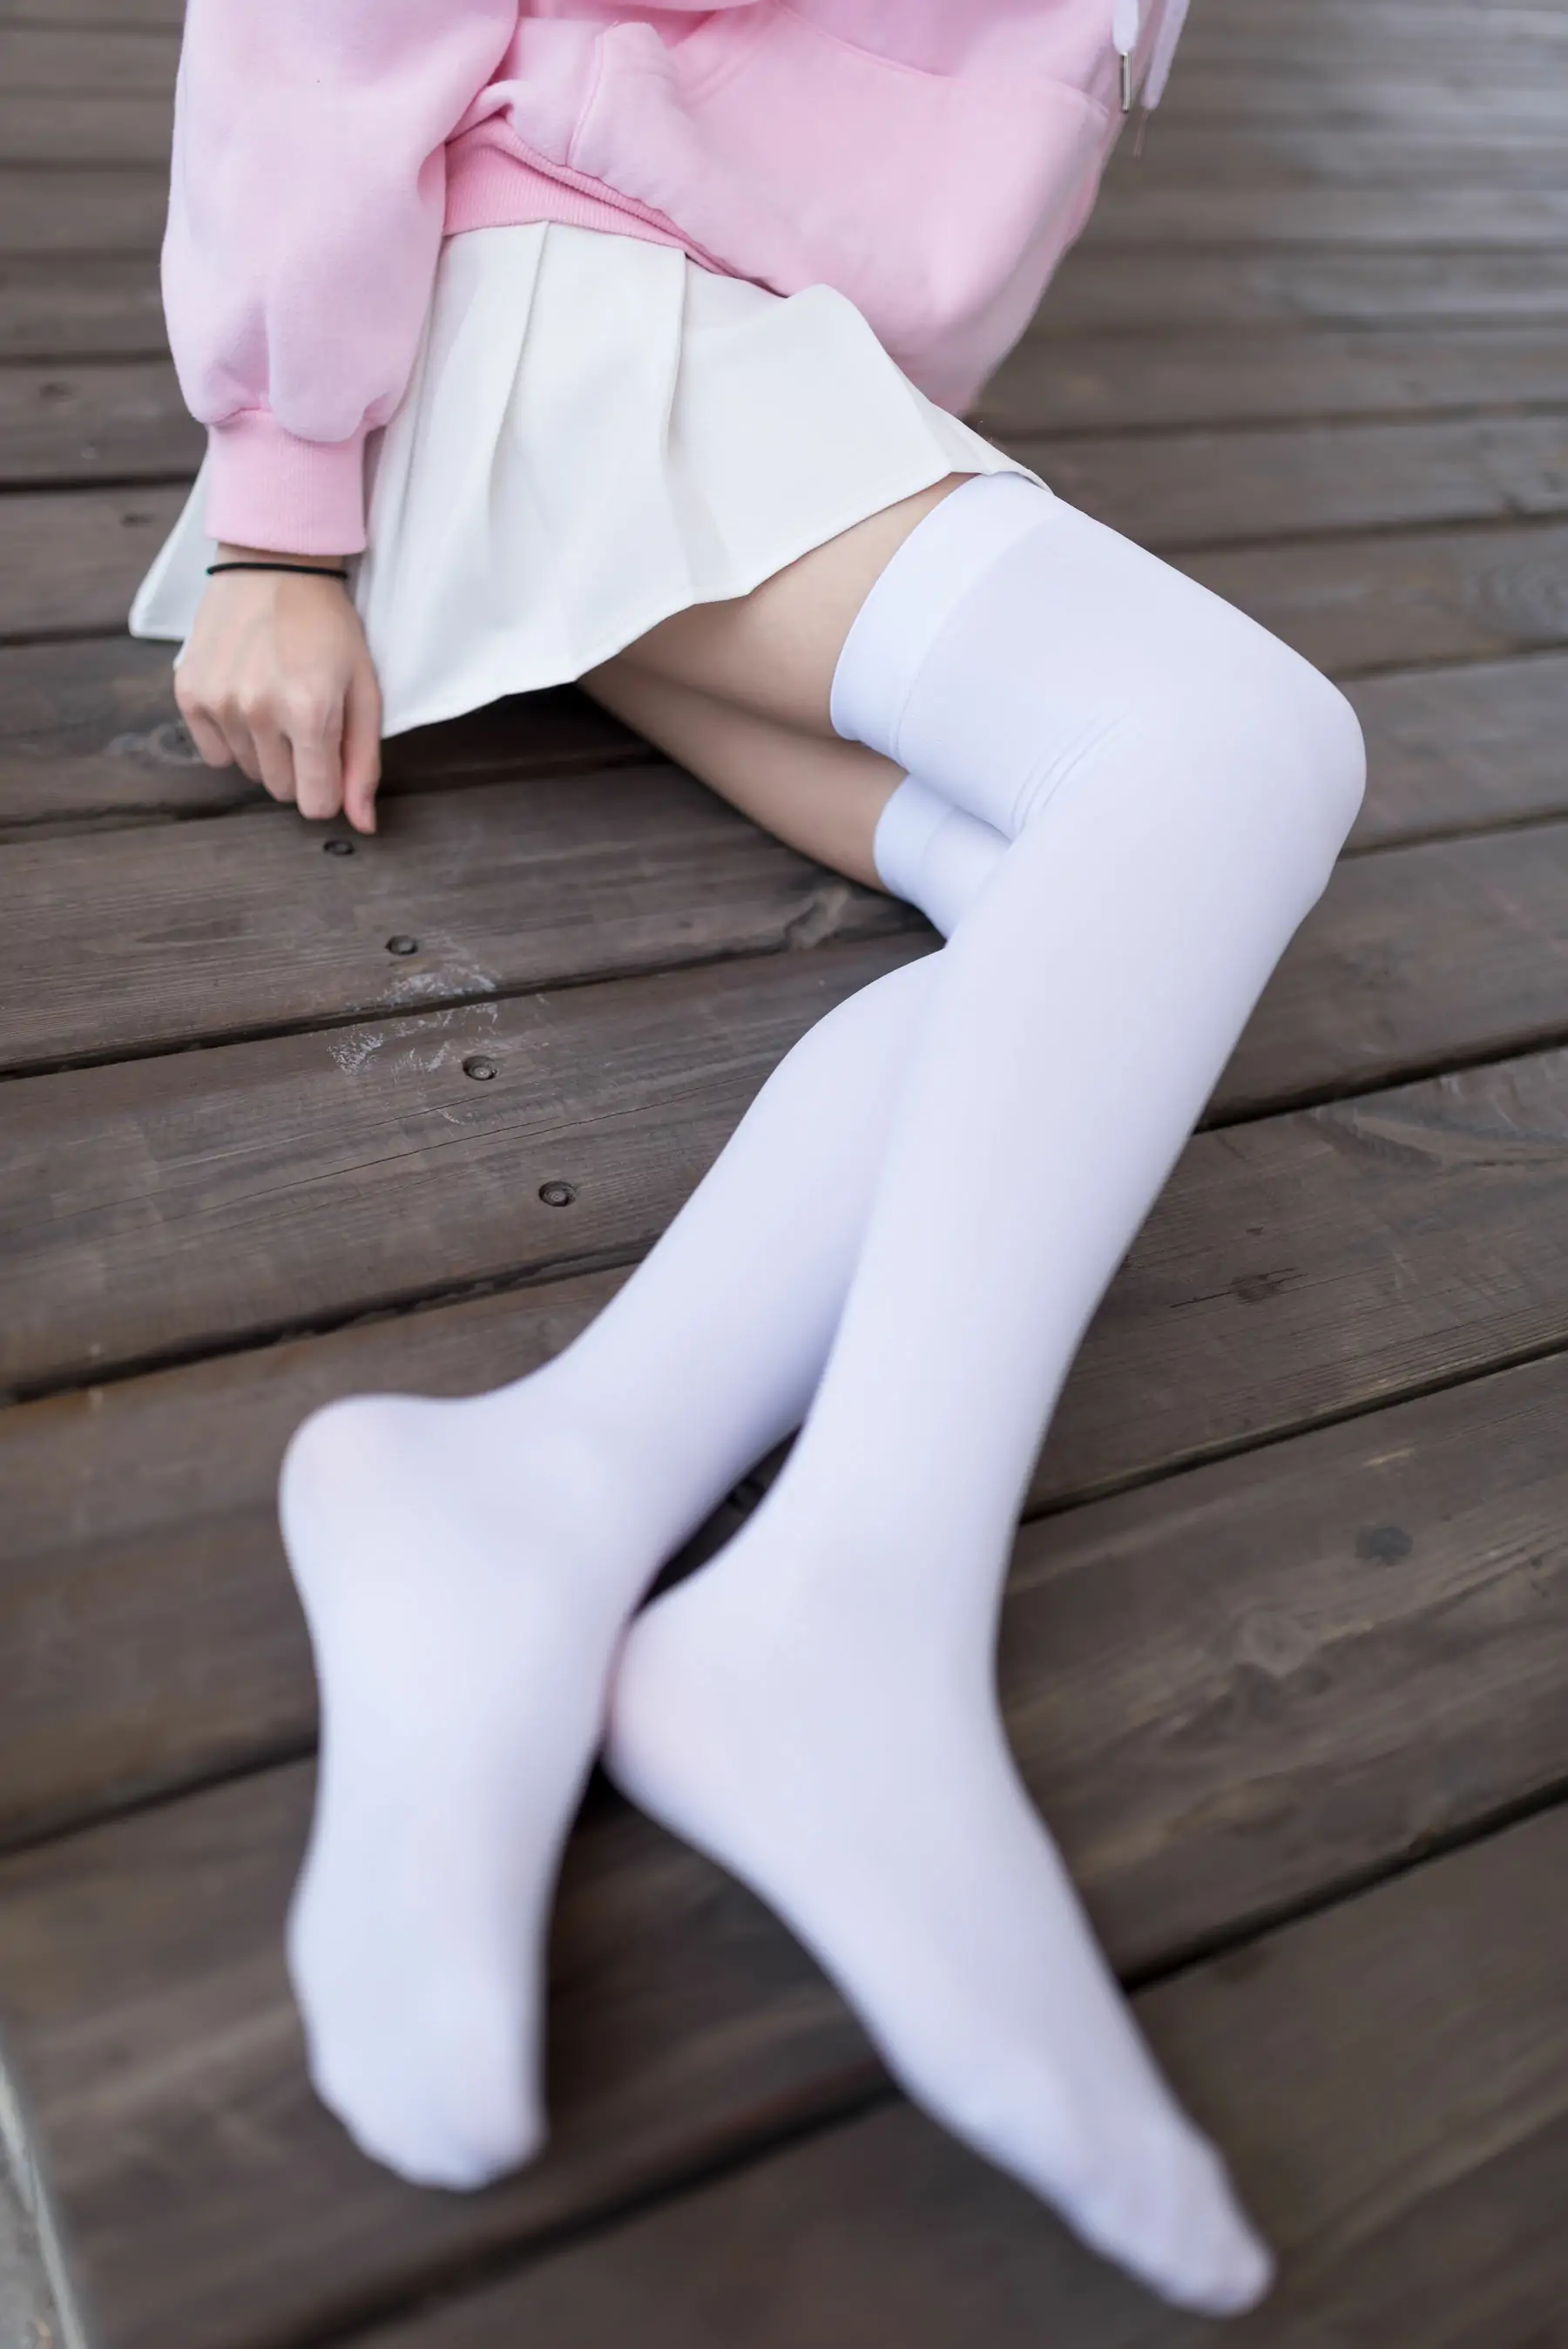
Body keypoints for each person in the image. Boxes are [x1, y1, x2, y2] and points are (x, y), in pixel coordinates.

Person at [130, 0, 1363, 2317]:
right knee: (1233, 747)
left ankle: (542, 1491)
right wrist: (284, 501)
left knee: (1084, 909)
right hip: (554, 319)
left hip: (748, 399)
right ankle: (850, 1613)